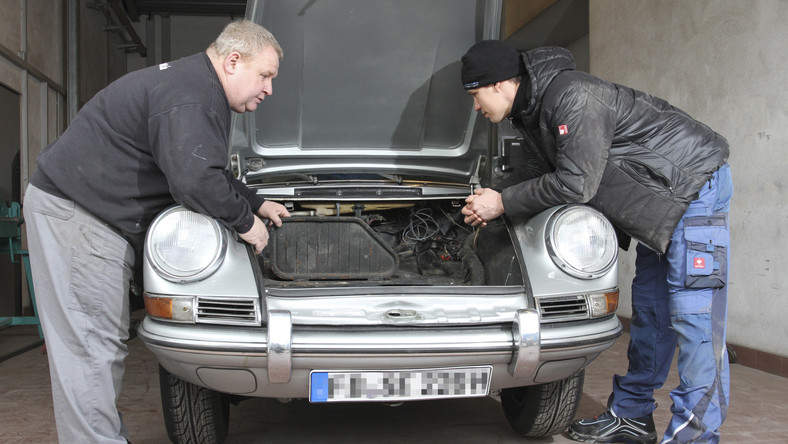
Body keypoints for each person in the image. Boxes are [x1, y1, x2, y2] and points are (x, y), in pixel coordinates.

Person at [23, 20, 290, 443]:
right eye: (266, 75)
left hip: (89, 212)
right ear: (233, 61)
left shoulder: (194, 85)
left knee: (97, 348)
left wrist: (256, 201)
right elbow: (194, 181)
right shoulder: (192, 95)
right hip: (80, 215)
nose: (269, 89)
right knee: (90, 349)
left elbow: (204, 167)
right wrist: (247, 223)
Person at [460, 40, 732, 444]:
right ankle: (632, 416)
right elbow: (535, 176)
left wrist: (502, 202)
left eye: (475, 95)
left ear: (499, 84)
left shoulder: (573, 96)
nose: (476, 108)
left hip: (692, 193)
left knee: (695, 320)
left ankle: (696, 435)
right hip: (656, 210)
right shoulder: (533, 112)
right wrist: (490, 203)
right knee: (653, 315)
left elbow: (576, 182)